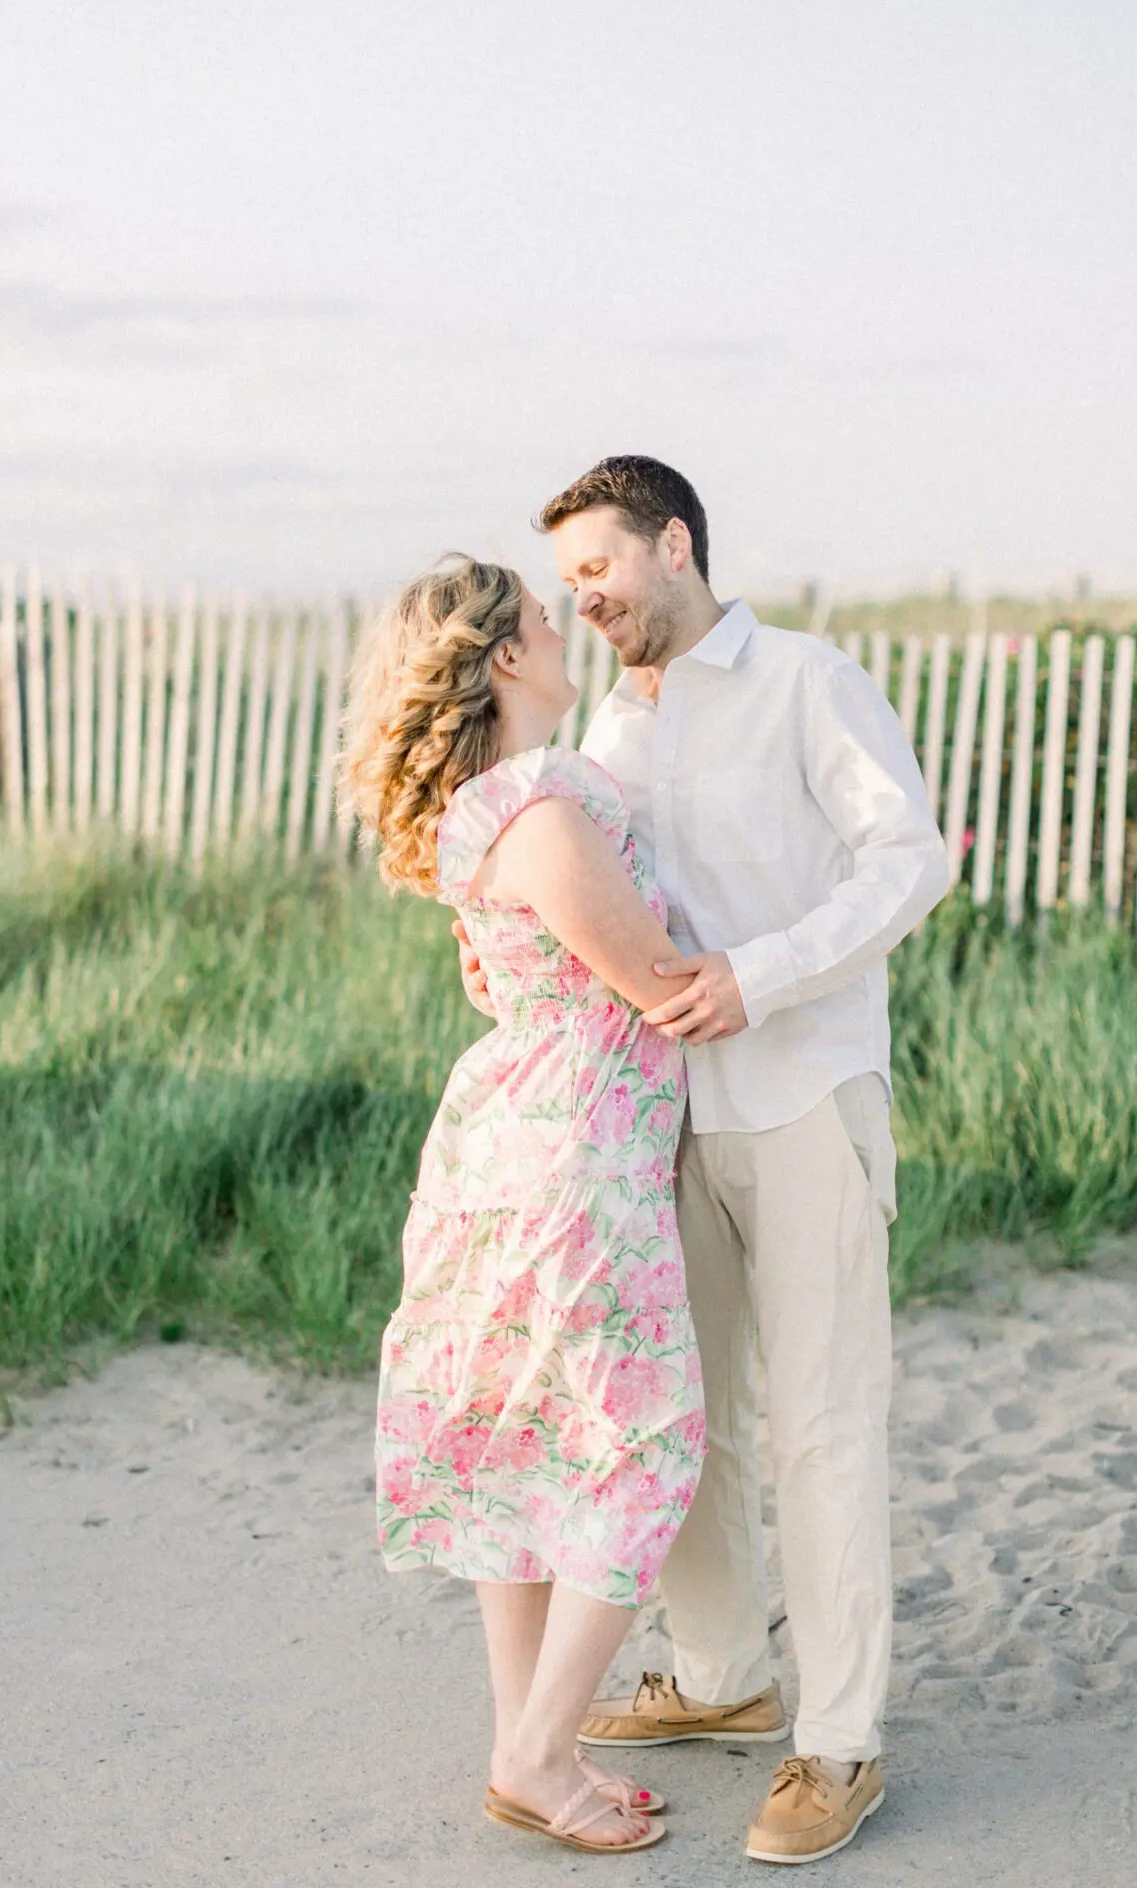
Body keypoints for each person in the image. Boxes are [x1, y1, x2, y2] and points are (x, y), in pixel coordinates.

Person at [457, 459, 950, 1866]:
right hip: (651, 1119)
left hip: (801, 1091)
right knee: (689, 1426)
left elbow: (906, 860)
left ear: (673, 544)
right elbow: (580, 888)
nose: (583, 598)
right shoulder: (605, 721)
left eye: (600, 567)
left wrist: (763, 973)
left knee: (820, 1423)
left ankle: (835, 1742)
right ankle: (722, 1673)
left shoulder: (804, 677)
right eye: (567, 586)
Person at [343, 554, 708, 1856]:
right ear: (504, 659)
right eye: (548, 622)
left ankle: (525, 1750)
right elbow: (655, 980)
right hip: (572, 1159)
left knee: (529, 1445)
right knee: (641, 1437)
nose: (569, 632)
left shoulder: (490, 809)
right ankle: (542, 1752)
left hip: (513, 1142)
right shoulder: (543, 815)